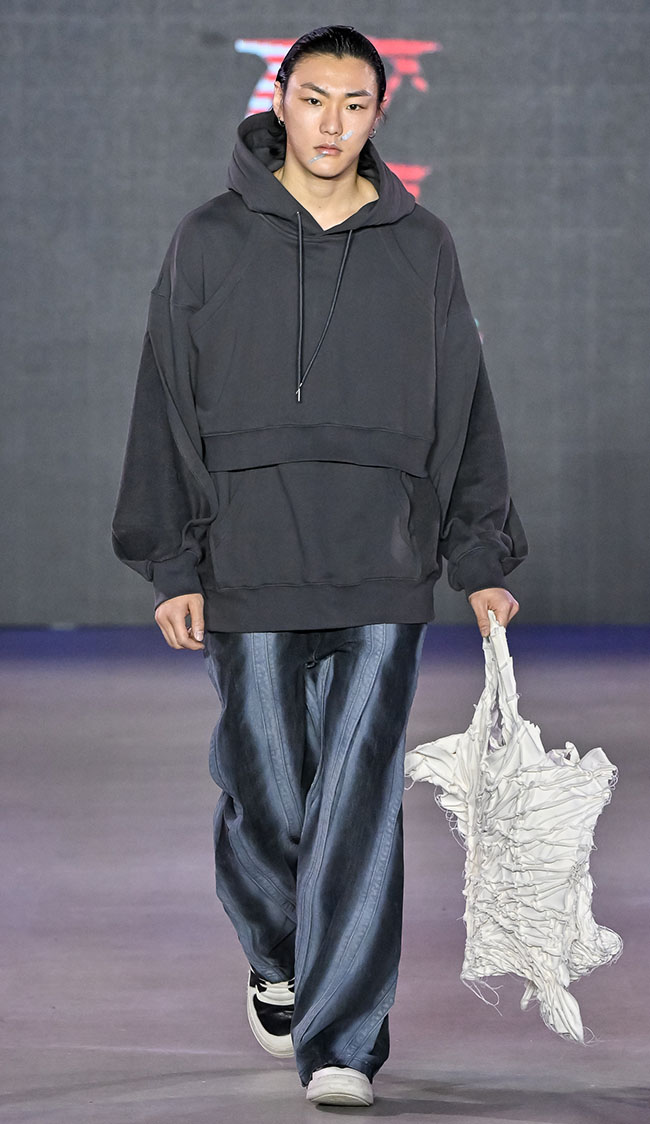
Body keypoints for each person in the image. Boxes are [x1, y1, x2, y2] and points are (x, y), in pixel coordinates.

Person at [111, 25, 527, 1108]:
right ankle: (276, 948)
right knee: (263, 788)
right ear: (279, 101)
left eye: (353, 103)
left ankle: (342, 1039)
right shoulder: (208, 239)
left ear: (379, 113)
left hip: (381, 561)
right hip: (248, 557)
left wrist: (476, 551)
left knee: (357, 799)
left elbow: (463, 401)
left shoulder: (421, 244)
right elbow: (165, 398)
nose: (331, 123)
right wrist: (172, 562)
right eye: (313, 99)